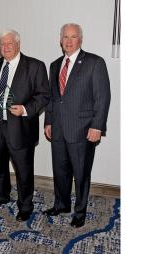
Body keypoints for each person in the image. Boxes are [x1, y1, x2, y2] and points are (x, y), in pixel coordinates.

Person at [43, 23, 111, 228]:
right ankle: (61, 204)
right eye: (65, 37)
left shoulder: (94, 62)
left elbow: (102, 97)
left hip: (83, 129)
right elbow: (53, 98)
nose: (69, 41)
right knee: (60, 170)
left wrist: (97, 126)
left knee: (81, 173)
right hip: (58, 129)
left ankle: (80, 211)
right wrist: (48, 121)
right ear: (60, 40)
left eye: (73, 37)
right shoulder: (55, 65)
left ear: (80, 39)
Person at [0, 30, 50, 222]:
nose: (5, 48)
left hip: (20, 128)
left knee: (23, 170)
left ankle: (25, 205)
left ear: (18, 45)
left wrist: (24, 109)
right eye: (2, 45)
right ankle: (1, 195)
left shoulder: (35, 66)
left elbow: (43, 95)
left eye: (9, 44)